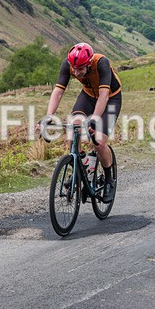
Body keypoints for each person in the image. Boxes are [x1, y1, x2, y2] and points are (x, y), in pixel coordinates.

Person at [39, 42, 122, 202]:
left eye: (80, 69)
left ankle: (109, 180)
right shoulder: (68, 64)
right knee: (73, 127)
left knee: (99, 141)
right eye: (74, 69)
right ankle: (78, 167)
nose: (76, 73)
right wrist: (49, 115)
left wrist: (94, 120)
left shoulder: (101, 62)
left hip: (111, 98)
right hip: (88, 96)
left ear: (89, 63)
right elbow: (58, 91)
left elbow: (104, 95)